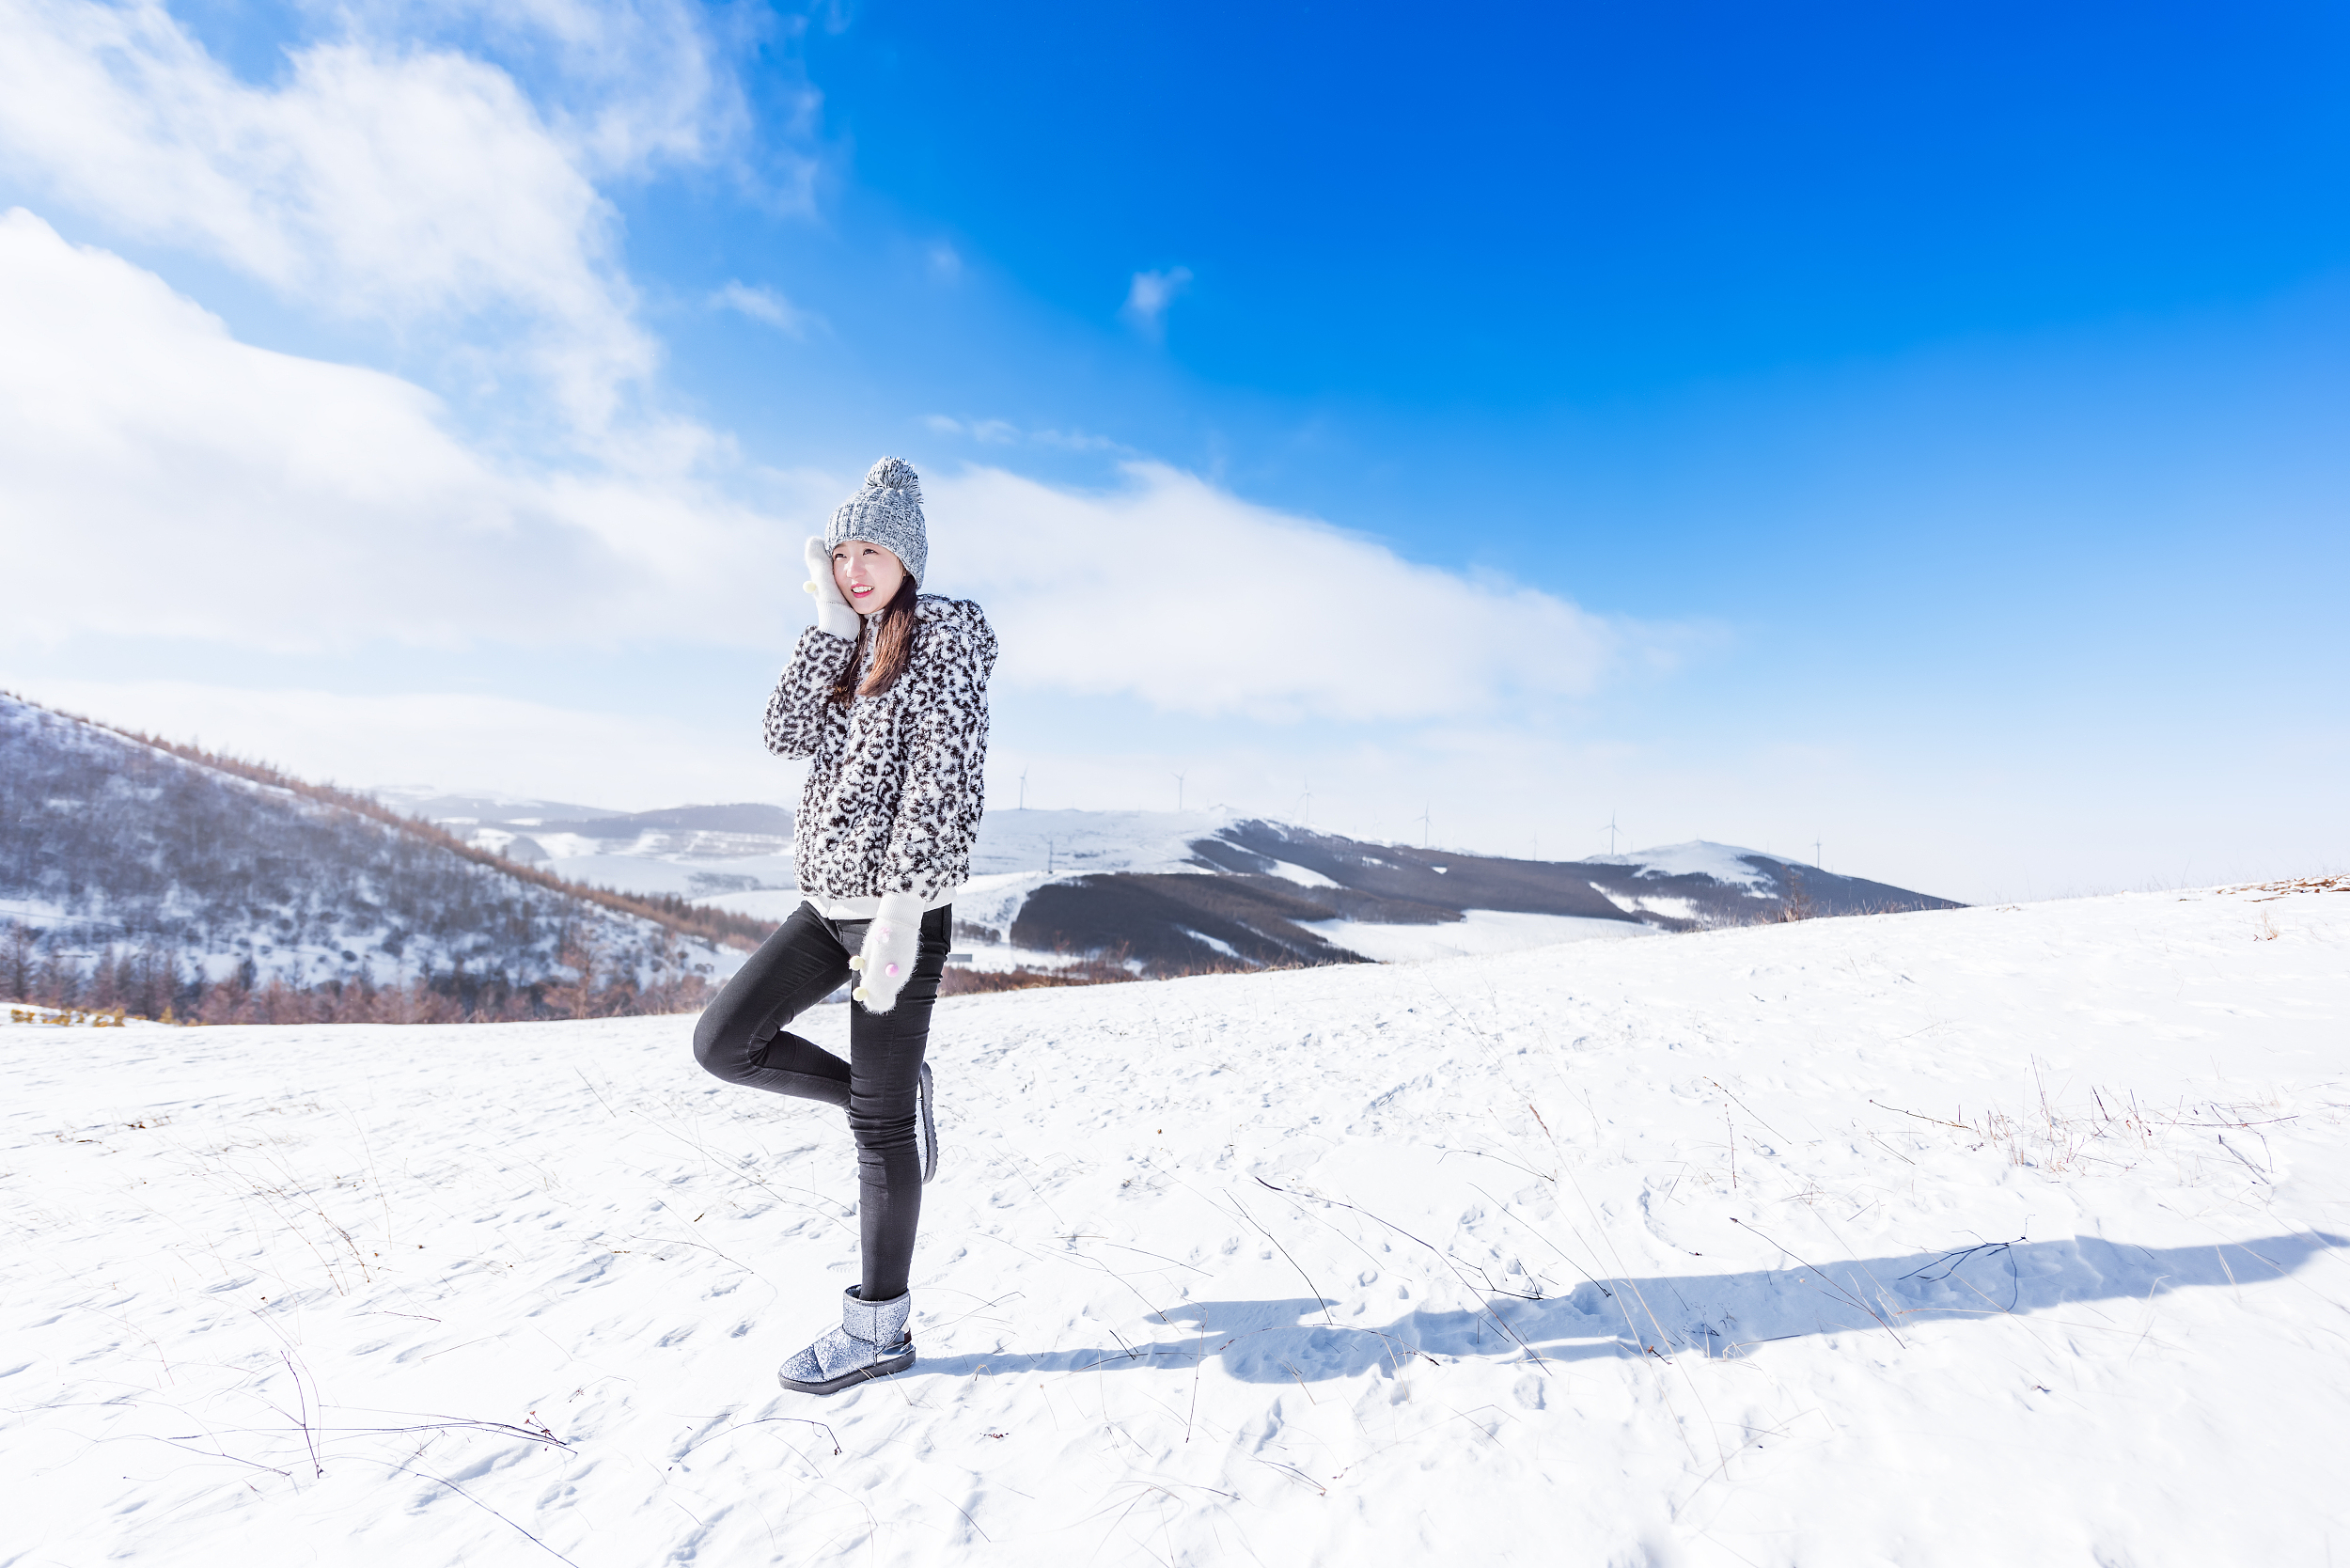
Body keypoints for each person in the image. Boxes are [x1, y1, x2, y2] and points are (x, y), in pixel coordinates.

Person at [691, 456, 996, 1395]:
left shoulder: (946, 635)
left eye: (873, 551)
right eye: (842, 552)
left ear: (909, 557)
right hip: (826, 908)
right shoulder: (847, 641)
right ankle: (890, 1093)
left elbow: (943, 779)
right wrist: (824, 634)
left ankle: (878, 1332)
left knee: (876, 1135)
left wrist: (905, 907)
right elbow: (784, 736)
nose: (856, 568)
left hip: (897, 920)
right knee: (724, 1044)